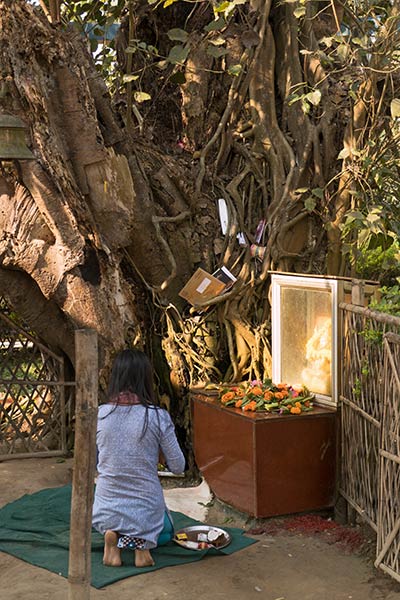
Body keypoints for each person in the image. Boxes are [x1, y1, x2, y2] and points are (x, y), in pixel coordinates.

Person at [92, 348, 185, 568]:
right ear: (145, 379)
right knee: (166, 530)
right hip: (146, 508)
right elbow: (179, 466)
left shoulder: (99, 414)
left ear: (115, 378)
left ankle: (112, 536)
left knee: (118, 516)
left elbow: (94, 462)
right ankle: (141, 547)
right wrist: (159, 456)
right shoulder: (157, 416)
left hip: (106, 507)